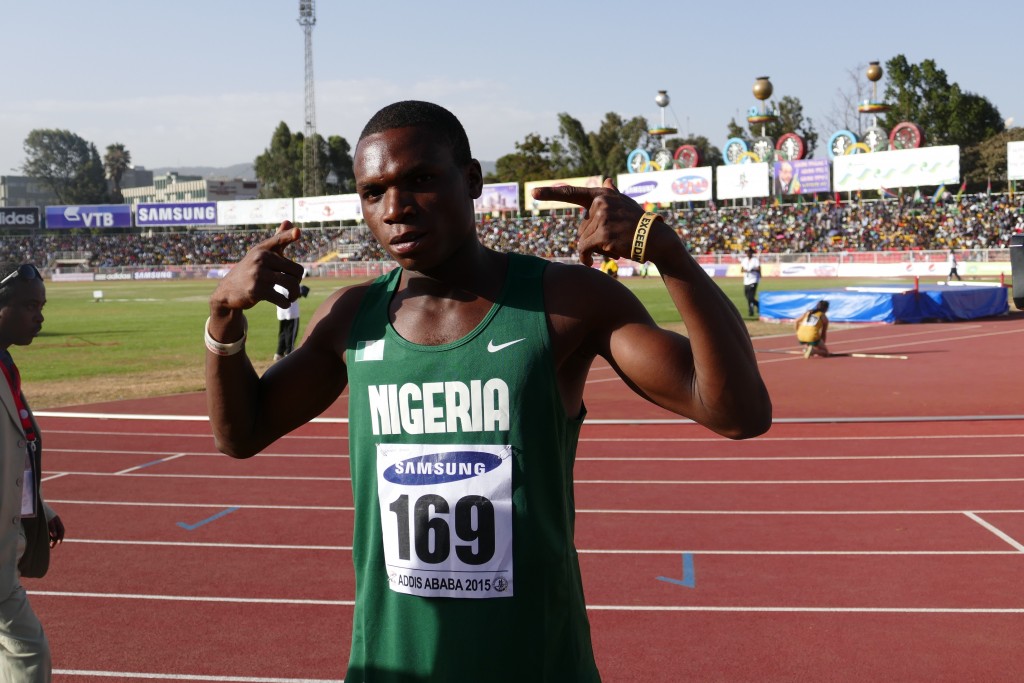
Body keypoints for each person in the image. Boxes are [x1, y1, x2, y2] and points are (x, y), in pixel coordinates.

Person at [205, 100, 771, 682]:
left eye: (420, 180)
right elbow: (241, 434)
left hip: (537, 663)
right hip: (392, 665)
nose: (396, 209)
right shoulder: (353, 318)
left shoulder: (566, 303)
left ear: (471, 179)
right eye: (374, 193)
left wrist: (666, 250)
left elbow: (737, 412)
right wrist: (223, 318)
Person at [0, 263, 64, 683]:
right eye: (28, 305)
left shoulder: (5, 364)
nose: (39, 317)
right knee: (28, 651)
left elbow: (13, 453)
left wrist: (39, 506)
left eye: (41, 305)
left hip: (8, 541)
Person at [273, 280, 310, 361]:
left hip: (281, 312)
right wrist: (302, 289)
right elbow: (300, 293)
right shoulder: (290, 281)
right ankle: (289, 354)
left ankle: (279, 353)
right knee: (291, 334)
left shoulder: (276, 283)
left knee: (282, 333)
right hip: (291, 313)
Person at [739, 247, 761, 317]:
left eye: (749, 252)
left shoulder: (755, 260)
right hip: (746, 280)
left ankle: (751, 310)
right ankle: (758, 305)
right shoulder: (744, 260)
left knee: (751, 296)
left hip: (754, 280)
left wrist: (753, 270)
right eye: (747, 252)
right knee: (747, 295)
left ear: (751, 253)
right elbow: (741, 269)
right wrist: (745, 270)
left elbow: (758, 268)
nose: (748, 253)